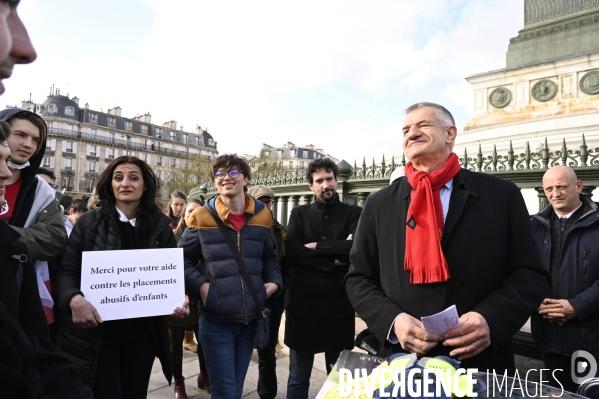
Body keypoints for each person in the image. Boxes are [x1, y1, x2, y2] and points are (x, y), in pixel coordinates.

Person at [345, 102, 550, 373]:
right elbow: (358, 278)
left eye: (423, 125)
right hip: (401, 361)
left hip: (480, 362)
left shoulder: (501, 195)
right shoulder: (379, 203)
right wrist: (394, 321)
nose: (411, 133)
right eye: (406, 129)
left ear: (450, 134)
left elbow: (529, 275)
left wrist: (490, 319)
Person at [56, 155, 190, 398]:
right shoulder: (88, 223)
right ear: (110, 184)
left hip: (142, 337)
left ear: (145, 185)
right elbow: (67, 271)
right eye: (118, 178)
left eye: (133, 178)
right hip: (98, 336)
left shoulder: (161, 227)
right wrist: (74, 299)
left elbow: (173, 276)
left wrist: (180, 297)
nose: (125, 183)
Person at [179, 154, 283, 399]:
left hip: (249, 320)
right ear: (215, 182)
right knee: (225, 391)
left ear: (246, 179)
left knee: (235, 390)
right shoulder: (201, 216)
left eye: (234, 172)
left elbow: (269, 257)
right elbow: (180, 260)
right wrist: (201, 285)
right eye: (220, 173)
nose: (226, 177)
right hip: (216, 320)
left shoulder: (262, 216)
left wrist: (273, 283)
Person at [283, 158, 362, 399]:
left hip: (337, 305)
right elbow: (292, 250)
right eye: (319, 181)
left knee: (338, 379)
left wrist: (316, 245)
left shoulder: (355, 213)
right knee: (298, 377)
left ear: (337, 180)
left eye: (329, 179)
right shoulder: (298, 213)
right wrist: (332, 259)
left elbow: (355, 250)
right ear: (310, 185)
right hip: (302, 304)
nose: (325, 184)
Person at [531, 165, 599, 392]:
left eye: (561, 187)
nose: (555, 193)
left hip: (591, 337)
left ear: (578, 186)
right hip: (549, 335)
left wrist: (576, 306)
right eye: (549, 188)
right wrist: (536, 300)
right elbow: (523, 273)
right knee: (557, 394)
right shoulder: (533, 227)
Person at [0, 107, 66, 324]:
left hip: (18, 294)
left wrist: (4, 235)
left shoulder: (43, 192)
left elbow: (53, 239)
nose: (28, 144)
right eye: (20, 135)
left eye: (36, 139)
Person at [248, 184, 286, 399]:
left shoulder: (278, 229)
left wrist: (278, 286)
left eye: (268, 200)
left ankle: (266, 394)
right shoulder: (244, 226)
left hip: (271, 298)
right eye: (260, 200)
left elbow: (283, 262)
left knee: (267, 352)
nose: (265, 204)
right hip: (245, 296)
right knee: (240, 349)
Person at [170, 198, 210, 398]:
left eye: (197, 211)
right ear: (184, 216)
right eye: (189, 212)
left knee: (204, 339)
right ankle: (179, 382)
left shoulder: (207, 235)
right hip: (176, 297)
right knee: (175, 342)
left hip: (198, 297)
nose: (193, 215)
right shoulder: (171, 237)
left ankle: (204, 375)